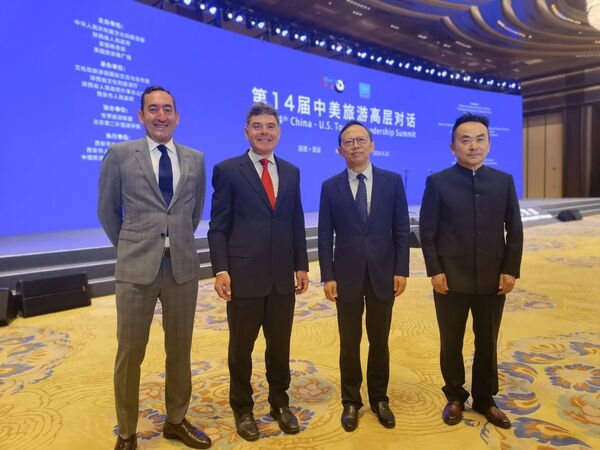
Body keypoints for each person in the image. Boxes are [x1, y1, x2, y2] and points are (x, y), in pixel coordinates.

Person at [98, 86, 211, 450]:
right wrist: (131, 246)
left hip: (182, 269)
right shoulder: (120, 155)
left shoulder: (195, 158)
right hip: (136, 269)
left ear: (177, 116)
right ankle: (127, 432)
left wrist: (173, 241)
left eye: (167, 109)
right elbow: (107, 211)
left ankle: (176, 420)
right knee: (130, 352)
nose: (161, 116)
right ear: (141, 115)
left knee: (179, 350)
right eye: (153, 109)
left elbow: (194, 213)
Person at [207, 102, 309, 442]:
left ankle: (280, 403)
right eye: (257, 126)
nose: (264, 132)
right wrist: (221, 269)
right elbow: (218, 226)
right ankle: (242, 408)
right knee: (241, 349)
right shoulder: (228, 170)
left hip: (282, 278)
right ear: (246, 132)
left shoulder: (292, 172)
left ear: (279, 132)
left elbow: (295, 221)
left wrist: (301, 265)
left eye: (270, 126)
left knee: (279, 346)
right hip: (244, 277)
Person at [418, 113, 523, 429]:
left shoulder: (503, 181)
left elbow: (514, 229)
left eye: (480, 139)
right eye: (465, 140)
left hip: (493, 277)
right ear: (453, 147)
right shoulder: (438, 182)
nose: (473, 146)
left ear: (488, 144)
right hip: (450, 278)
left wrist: (510, 270)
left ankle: (485, 399)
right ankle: (454, 395)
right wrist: (435, 270)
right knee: (451, 340)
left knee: (487, 340)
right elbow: (427, 231)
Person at [318, 120, 410, 432]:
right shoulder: (330, 187)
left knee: (379, 340)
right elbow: (324, 235)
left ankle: (380, 398)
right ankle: (351, 401)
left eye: (360, 140)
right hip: (346, 276)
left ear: (372, 145)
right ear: (339, 150)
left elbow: (401, 229)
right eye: (348, 141)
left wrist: (401, 269)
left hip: (384, 274)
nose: (355, 146)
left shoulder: (392, 182)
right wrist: (328, 275)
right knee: (349, 341)